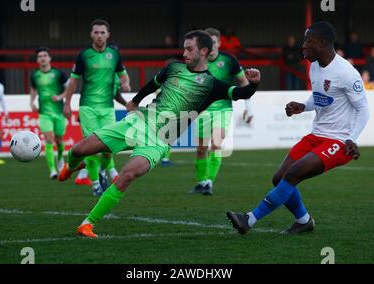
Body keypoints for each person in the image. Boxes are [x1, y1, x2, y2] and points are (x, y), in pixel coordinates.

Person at [57, 30, 261, 238]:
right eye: (184, 48)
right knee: (79, 149)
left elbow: (241, 93)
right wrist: (135, 102)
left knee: (127, 174)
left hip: (159, 140)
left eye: (189, 49)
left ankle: (88, 223)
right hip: (138, 122)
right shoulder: (173, 68)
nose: (184, 53)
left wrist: (253, 83)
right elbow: (152, 84)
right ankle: (70, 166)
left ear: (204, 51)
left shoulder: (213, 85)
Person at [227, 21, 370, 235]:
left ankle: (249, 219)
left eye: (308, 41)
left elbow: (363, 109)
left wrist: (352, 138)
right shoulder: (314, 65)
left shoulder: (347, 73)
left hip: (338, 141)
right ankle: (303, 220)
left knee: (293, 174)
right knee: (279, 177)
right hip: (316, 135)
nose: (303, 46)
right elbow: (321, 96)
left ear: (322, 43)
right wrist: (303, 106)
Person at [63, 19, 131, 196]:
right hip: (88, 107)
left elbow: (123, 75)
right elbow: (73, 81)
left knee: (108, 148)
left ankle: (101, 172)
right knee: (90, 147)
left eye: (102, 32)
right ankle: (95, 184)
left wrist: (126, 83)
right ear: (91, 34)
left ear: (108, 34)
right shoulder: (83, 55)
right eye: (96, 32)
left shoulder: (114, 54)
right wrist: (67, 103)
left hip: (108, 108)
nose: (99, 35)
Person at [189, 27, 253, 195]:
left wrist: (249, 108)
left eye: (214, 42)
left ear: (219, 42)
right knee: (201, 148)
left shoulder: (229, 60)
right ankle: (201, 182)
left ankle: (209, 182)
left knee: (216, 144)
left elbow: (244, 83)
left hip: (223, 109)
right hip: (203, 111)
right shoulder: (197, 61)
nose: (211, 45)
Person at [30, 47, 68, 179]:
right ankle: (52, 170)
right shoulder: (35, 75)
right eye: (40, 56)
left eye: (45, 55)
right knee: (49, 138)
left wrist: (60, 96)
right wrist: (32, 102)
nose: (42, 58)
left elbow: (68, 89)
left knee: (59, 140)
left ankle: (59, 158)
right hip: (44, 113)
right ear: (37, 60)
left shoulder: (59, 73)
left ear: (49, 58)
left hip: (59, 112)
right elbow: (34, 89)